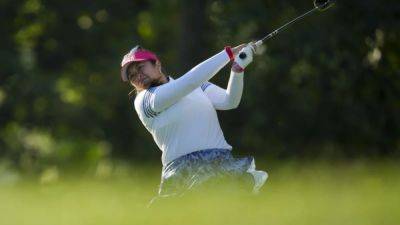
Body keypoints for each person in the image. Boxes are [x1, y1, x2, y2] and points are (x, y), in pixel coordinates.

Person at [120, 44, 268, 198]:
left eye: (141, 67)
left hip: (221, 162)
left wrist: (237, 69)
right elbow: (187, 83)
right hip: (182, 171)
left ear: (157, 63)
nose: (137, 75)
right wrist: (228, 54)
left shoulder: (197, 86)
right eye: (131, 76)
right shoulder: (144, 100)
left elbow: (229, 101)